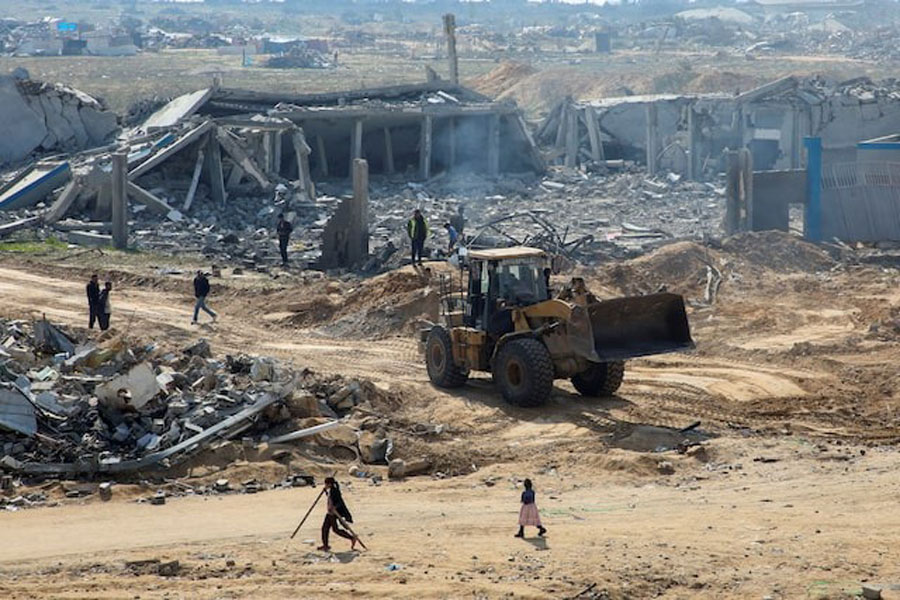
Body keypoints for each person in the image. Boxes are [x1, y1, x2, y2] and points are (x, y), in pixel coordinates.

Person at [319, 477, 358, 552]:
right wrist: (326, 492)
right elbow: (331, 498)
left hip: (333, 513)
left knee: (335, 529)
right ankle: (325, 545)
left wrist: (334, 507)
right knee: (325, 529)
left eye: (326, 484)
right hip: (330, 512)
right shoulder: (331, 490)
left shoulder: (335, 491)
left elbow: (339, 501)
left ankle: (351, 538)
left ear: (329, 484)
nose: (325, 485)